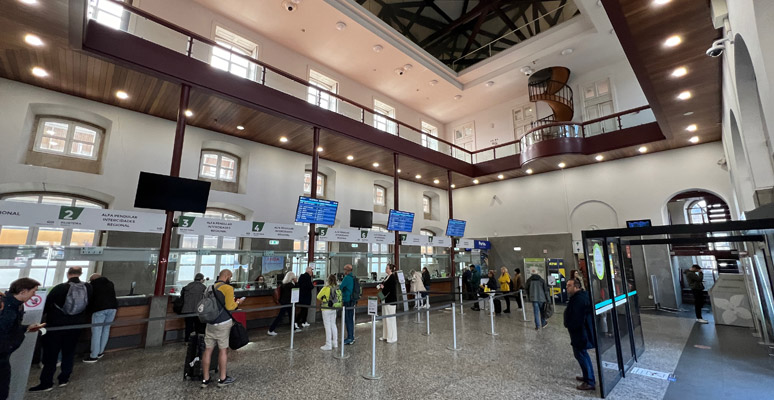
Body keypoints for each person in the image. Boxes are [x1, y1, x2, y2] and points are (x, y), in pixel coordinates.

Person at [30, 266, 92, 392]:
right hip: (76, 325)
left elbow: (47, 305)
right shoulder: (88, 287)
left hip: (56, 326)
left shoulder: (60, 288)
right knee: (69, 353)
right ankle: (64, 379)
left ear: (68, 273)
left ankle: (47, 382)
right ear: (80, 273)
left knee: (51, 355)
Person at [1, 278, 44, 399]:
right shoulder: (6, 308)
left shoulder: (16, 305)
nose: (34, 295)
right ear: (23, 291)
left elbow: (12, 328)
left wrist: (27, 328)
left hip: (4, 355)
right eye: (33, 291)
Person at [201, 269, 243, 388]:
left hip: (210, 323)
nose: (230, 279)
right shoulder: (228, 288)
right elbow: (230, 307)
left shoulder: (209, 287)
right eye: (230, 276)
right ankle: (223, 378)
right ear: (227, 276)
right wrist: (238, 303)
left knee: (208, 350)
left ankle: (205, 379)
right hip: (223, 322)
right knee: (223, 350)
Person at [564, 277, 596, 391]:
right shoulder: (580, 296)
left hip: (580, 333)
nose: (566, 287)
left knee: (581, 355)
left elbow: (577, 318)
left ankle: (589, 381)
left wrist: (570, 325)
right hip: (580, 332)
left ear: (576, 287)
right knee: (582, 354)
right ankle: (588, 376)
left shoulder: (578, 299)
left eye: (569, 285)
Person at [83, 274, 117, 363]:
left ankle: (94, 355)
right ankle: (100, 352)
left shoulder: (92, 285)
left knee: (96, 332)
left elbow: (89, 299)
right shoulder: (110, 283)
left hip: (99, 309)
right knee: (106, 330)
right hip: (113, 308)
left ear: (93, 279)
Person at [316, 274, 340, 351]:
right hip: (334, 308)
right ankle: (335, 343)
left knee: (327, 326)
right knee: (333, 324)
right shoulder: (337, 288)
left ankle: (328, 344)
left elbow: (318, 296)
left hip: (326, 309)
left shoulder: (325, 288)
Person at [181, 273, 206, 343]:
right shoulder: (203, 287)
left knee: (188, 326)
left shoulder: (188, 286)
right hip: (198, 310)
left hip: (187, 310)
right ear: (201, 279)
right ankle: (198, 341)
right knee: (199, 326)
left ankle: (187, 340)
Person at [378, 264, 398, 343]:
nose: (386, 269)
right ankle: (385, 335)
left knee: (390, 319)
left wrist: (383, 287)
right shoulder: (386, 277)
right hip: (384, 300)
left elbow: (390, 289)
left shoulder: (392, 277)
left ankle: (392, 337)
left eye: (387, 268)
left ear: (390, 269)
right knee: (385, 319)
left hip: (390, 300)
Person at [340, 264, 356, 345]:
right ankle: (351, 336)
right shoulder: (353, 277)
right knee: (350, 318)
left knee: (348, 319)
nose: (344, 271)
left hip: (347, 300)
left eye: (344, 269)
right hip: (352, 300)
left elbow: (340, 287)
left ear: (347, 270)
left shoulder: (346, 278)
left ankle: (350, 338)